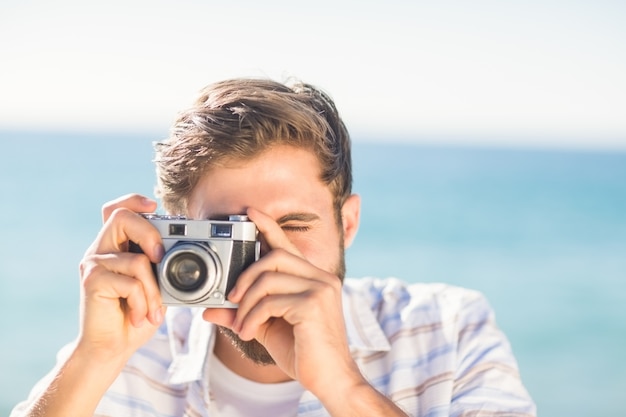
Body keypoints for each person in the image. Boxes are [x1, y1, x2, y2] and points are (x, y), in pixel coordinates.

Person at [11, 78, 536, 417]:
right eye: (228, 233)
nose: (267, 259)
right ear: (173, 236)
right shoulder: (128, 354)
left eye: (294, 224)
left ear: (346, 224)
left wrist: (345, 389)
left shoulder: (448, 327)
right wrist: (93, 359)